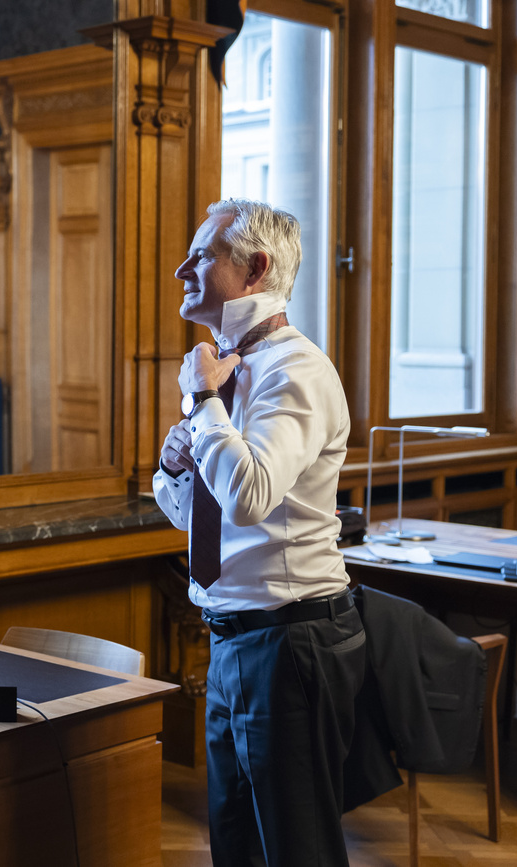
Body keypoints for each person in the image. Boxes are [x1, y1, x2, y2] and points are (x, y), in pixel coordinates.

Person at [153, 199, 366, 865]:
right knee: (235, 846)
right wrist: (174, 465)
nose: (183, 268)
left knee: (298, 851)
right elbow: (196, 514)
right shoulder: (224, 368)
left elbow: (249, 498)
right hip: (232, 640)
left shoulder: (294, 371)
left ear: (255, 269)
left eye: (203, 255)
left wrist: (202, 402)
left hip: (290, 644)